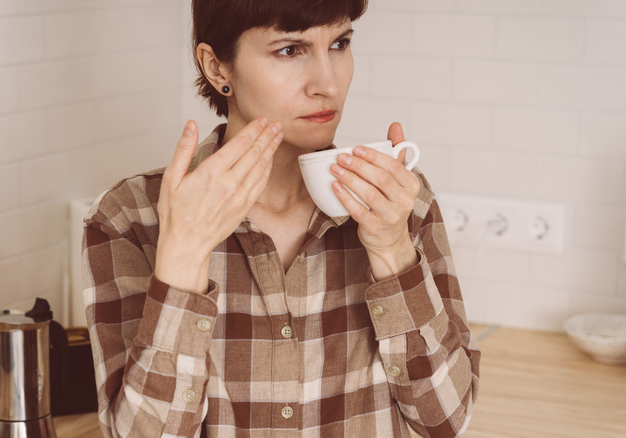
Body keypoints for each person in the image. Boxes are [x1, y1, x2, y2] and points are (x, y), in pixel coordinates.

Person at [82, 0, 480, 436]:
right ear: (217, 68)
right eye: (290, 51)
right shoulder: (130, 218)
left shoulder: (400, 202)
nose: (326, 83)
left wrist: (392, 251)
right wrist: (183, 257)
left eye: (340, 44)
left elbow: (446, 422)